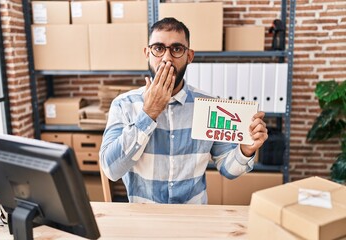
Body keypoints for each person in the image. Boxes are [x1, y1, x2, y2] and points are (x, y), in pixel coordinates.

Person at [99, 17, 268, 204]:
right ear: (147, 53)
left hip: (193, 218)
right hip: (144, 220)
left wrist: (246, 149)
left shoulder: (209, 105)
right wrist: (148, 114)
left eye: (177, 49)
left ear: (190, 56)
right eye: (158, 48)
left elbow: (228, 170)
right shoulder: (124, 104)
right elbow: (111, 170)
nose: (167, 58)